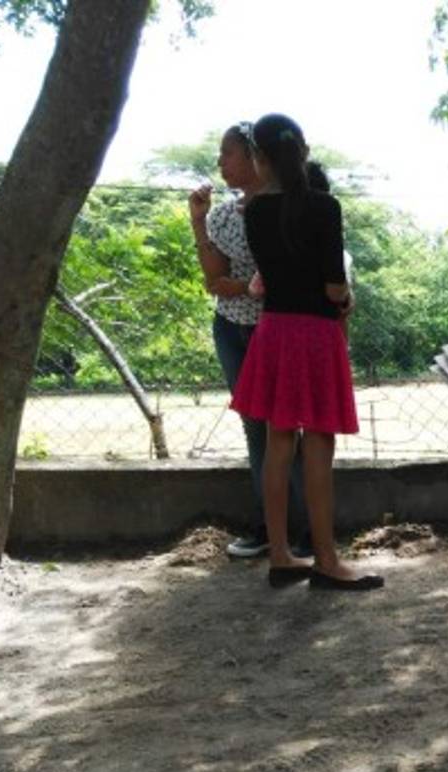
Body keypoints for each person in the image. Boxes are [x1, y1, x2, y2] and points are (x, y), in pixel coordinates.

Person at [230, 113, 381, 591]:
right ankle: (327, 561)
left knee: (278, 443)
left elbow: (270, 276)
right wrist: (345, 299)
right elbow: (335, 286)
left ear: (260, 158)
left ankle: (280, 556)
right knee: (318, 443)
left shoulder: (254, 211)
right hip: (316, 333)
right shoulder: (324, 207)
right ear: (304, 151)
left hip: (273, 331)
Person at [188, 123, 308, 559]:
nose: (220, 162)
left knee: (290, 427)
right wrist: (198, 223)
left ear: (257, 157)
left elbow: (287, 277)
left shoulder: (293, 208)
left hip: (279, 330)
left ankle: (307, 530)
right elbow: (214, 282)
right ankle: (268, 529)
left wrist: (245, 286)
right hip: (232, 330)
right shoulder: (222, 215)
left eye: (228, 153)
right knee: (256, 427)